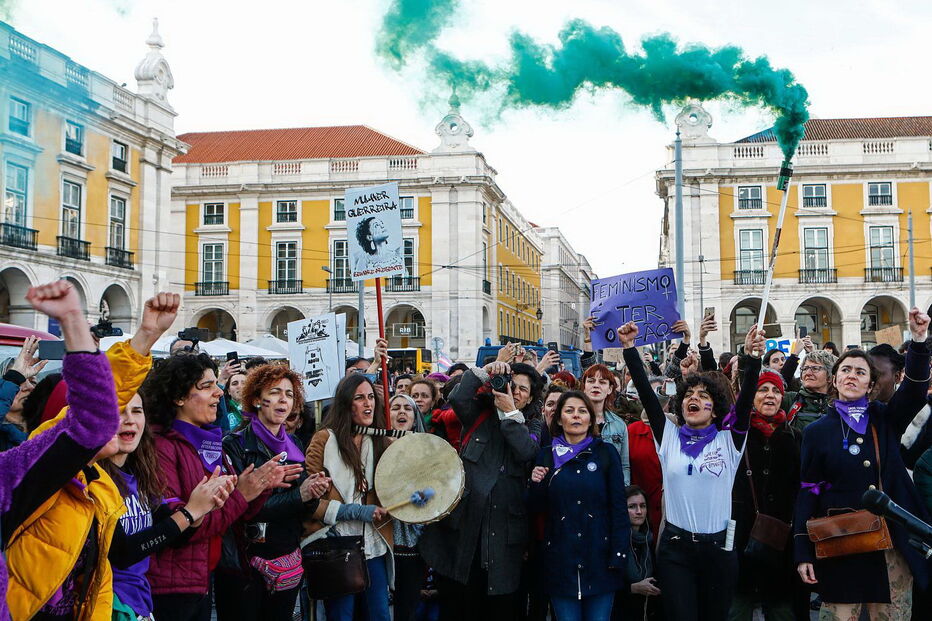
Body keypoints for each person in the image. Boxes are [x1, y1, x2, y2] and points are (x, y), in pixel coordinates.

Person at [794, 308, 931, 620]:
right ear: (835, 379)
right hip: (840, 542)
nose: (851, 376)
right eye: (845, 370)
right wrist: (802, 552)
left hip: (888, 545)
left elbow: (913, 392)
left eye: (860, 371)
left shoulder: (884, 418)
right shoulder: (817, 432)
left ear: (870, 385)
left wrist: (919, 341)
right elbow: (807, 492)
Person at [622, 321, 764, 621]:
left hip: (719, 551)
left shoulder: (729, 440)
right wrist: (629, 348)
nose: (693, 399)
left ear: (715, 409)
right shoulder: (668, 436)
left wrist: (752, 358)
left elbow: (745, 403)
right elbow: (646, 393)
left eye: (703, 396)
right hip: (676, 551)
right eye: (688, 395)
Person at [144, 352, 299, 621]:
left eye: (217, 384)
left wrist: (260, 487)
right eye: (207, 386)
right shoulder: (162, 447)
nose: (219, 392)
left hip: (203, 576)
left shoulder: (210, 443)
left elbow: (232, 515)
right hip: (172, 585)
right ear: (179, 397)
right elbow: (184, 527)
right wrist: (243, 494)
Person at [418, 359, 540, 620]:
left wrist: (510, 414)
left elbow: (526, 451)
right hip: (466, 526)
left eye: (523, 390)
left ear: (531, 399)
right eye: (512, 386)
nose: (516, 392)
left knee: (500, 605)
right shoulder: (480, 413)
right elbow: (457, 397)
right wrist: (487, 370)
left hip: (503, 534)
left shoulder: (532, 424)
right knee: (462, 602)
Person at [218, 365, 330, 620]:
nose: (283, 400)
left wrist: (314, 490)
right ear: (257, 399)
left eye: (289, 394)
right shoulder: (235, 445)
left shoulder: (295, 444)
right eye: (275, 392)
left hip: (286, 555)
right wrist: (299, 495)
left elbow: (302, 504)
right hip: (247, 561)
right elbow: (242, 508)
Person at [529, 390, 629, 620]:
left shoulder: (606, 453)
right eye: (569, 410)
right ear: (559, 419)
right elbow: (536, 508)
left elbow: (618, 507)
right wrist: (535, 483)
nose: (576, 416)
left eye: (582, 411)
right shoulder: (546, 455)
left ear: (591, 419)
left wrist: (618, 554)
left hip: (600, 559)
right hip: (561, 561)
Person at [304, 373, 394, 620]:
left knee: (379, 616)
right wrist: (354, 511)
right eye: (359, 398)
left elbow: (396, 486)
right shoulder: (324, 439)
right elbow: (309, 501)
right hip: (336, 547)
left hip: (374, 546)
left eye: (371, 397)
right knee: (341, 616)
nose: (368, 403)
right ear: (346, 403)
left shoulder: (381, 441)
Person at [729, 370, 800, 621]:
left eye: (776, 391)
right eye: (762, 390)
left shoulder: (795, 437)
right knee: (738, 609)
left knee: (781, 611)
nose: (770, 396)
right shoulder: (737, 435)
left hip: (782, 543)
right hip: (742, 540)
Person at [388, 393, 428, 621]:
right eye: (395, 407)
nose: (401, 411)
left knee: (407, 608)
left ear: (415, 418)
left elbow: (434, 491)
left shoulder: (427, 449)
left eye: (407, 408)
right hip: (382, 540)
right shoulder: (373, 447)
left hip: (414, 542)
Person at [617, 485, 661, 621]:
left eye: (643, 506)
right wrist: (632, 588)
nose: (639, 511)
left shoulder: (651, 540)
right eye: (632, 507)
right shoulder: (615, 542)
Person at [582, 364, 631, 485]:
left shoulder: (619, 425)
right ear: (584, 387)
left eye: (602, 382)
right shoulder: (574, 421)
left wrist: (623, 489)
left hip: (610, 487)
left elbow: (624, 465)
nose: (596, 385)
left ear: (610, 389)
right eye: (591, 381)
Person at [0, 335, 46, 450]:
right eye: (19, 383)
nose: (30, 387)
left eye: (33, 382)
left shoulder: (48, 429)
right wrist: (14, 377)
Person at [781, 349, 837, 433]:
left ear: (830, 376)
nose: (808, 373)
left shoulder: (840, 405)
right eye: (805, 368)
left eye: (815, 368)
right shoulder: (790, 400)